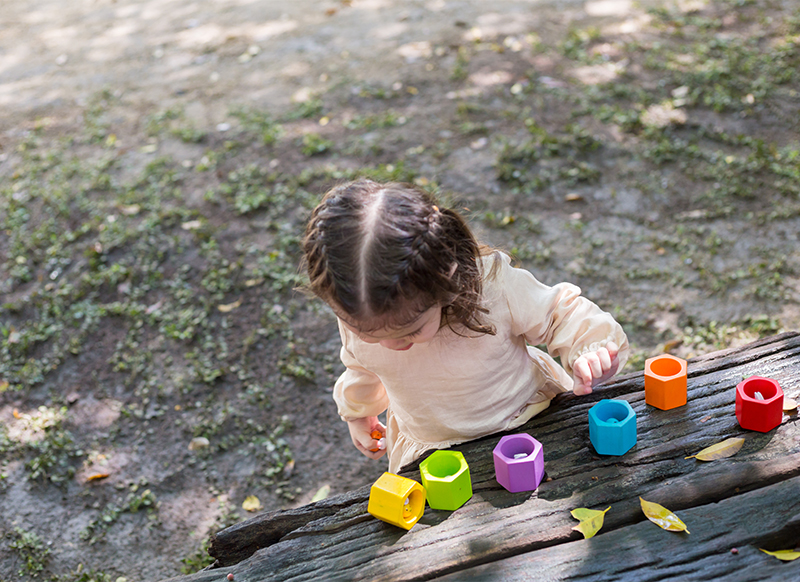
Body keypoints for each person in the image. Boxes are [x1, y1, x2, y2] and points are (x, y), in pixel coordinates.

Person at [302, 179, 629, 473]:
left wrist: (590, 349)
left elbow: (560, 312)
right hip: (432, 449)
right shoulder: (359, 310)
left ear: (445, 281)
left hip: (530, 420)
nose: (390, 345)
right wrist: (359, 414)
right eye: (367, 334)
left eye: (412, 330)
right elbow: (361, 365)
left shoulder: (492, 288)